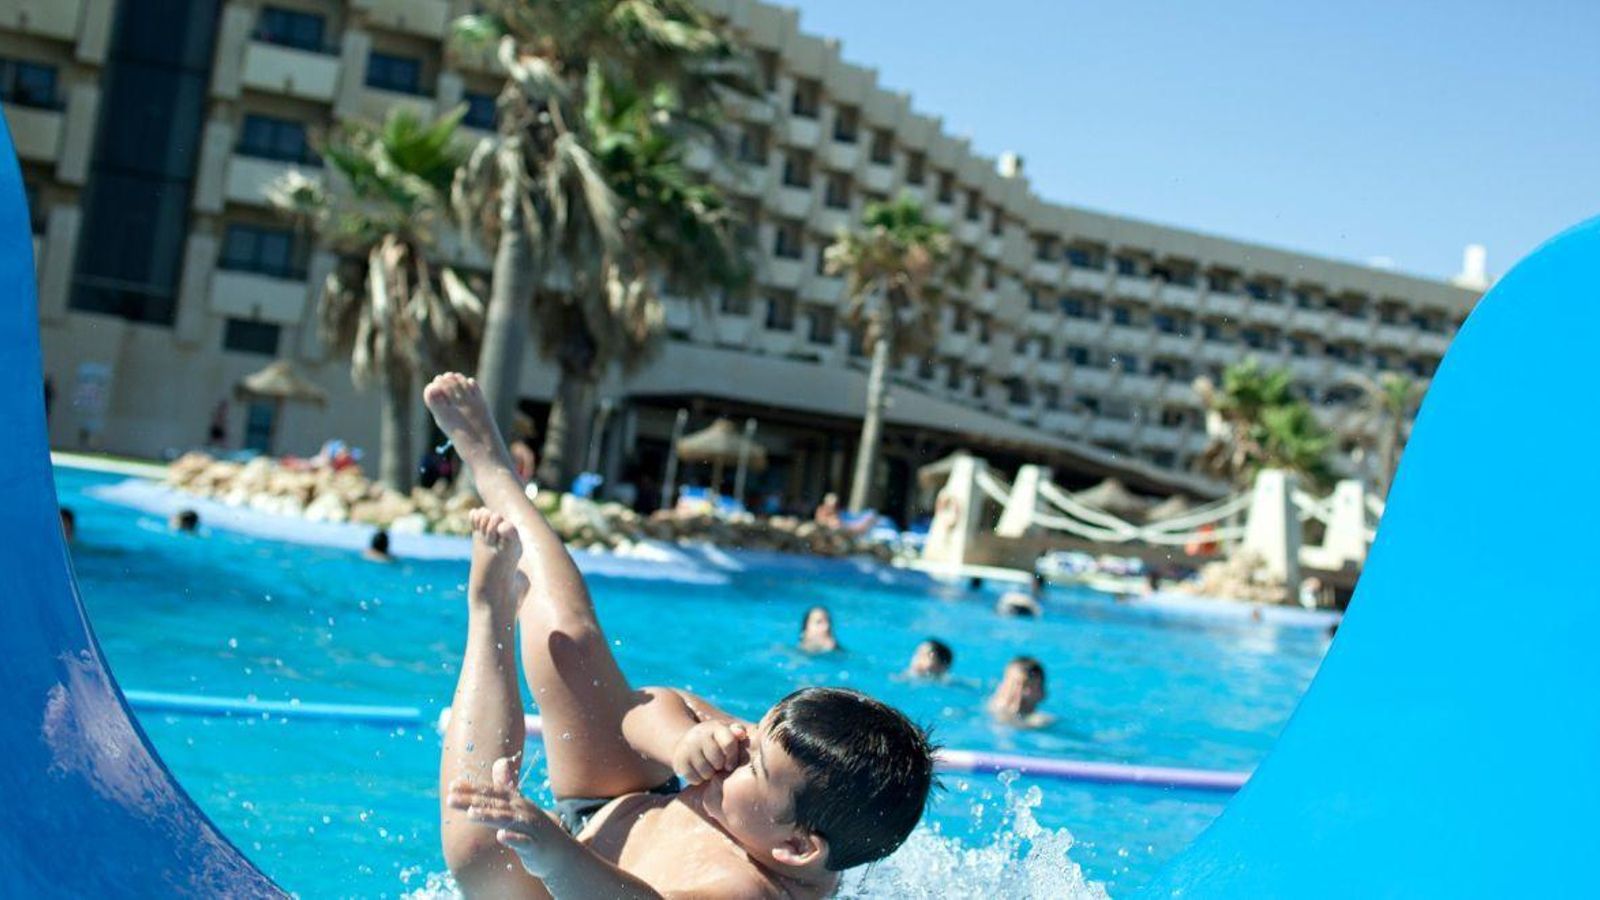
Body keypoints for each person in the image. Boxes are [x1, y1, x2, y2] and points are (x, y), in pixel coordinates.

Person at [425, 373, 936, 899]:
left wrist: (553, 854)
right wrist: (680, 743)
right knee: (569, 646)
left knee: (478, 847)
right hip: (614, 806)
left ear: (797, 848)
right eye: (755, 733)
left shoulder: (752, 890)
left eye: (753, 763)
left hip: (572, 886)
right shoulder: (775, 772)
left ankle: (487, 615)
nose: (740, 745)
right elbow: (647, 706)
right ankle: (494, 470)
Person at [988, 656, 1051, 727]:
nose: (1019, 693)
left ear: (1042, 693)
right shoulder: (989, 707)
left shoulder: (1042, 721)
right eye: (1012, 686)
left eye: (1026, 686)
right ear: (1000, 688)